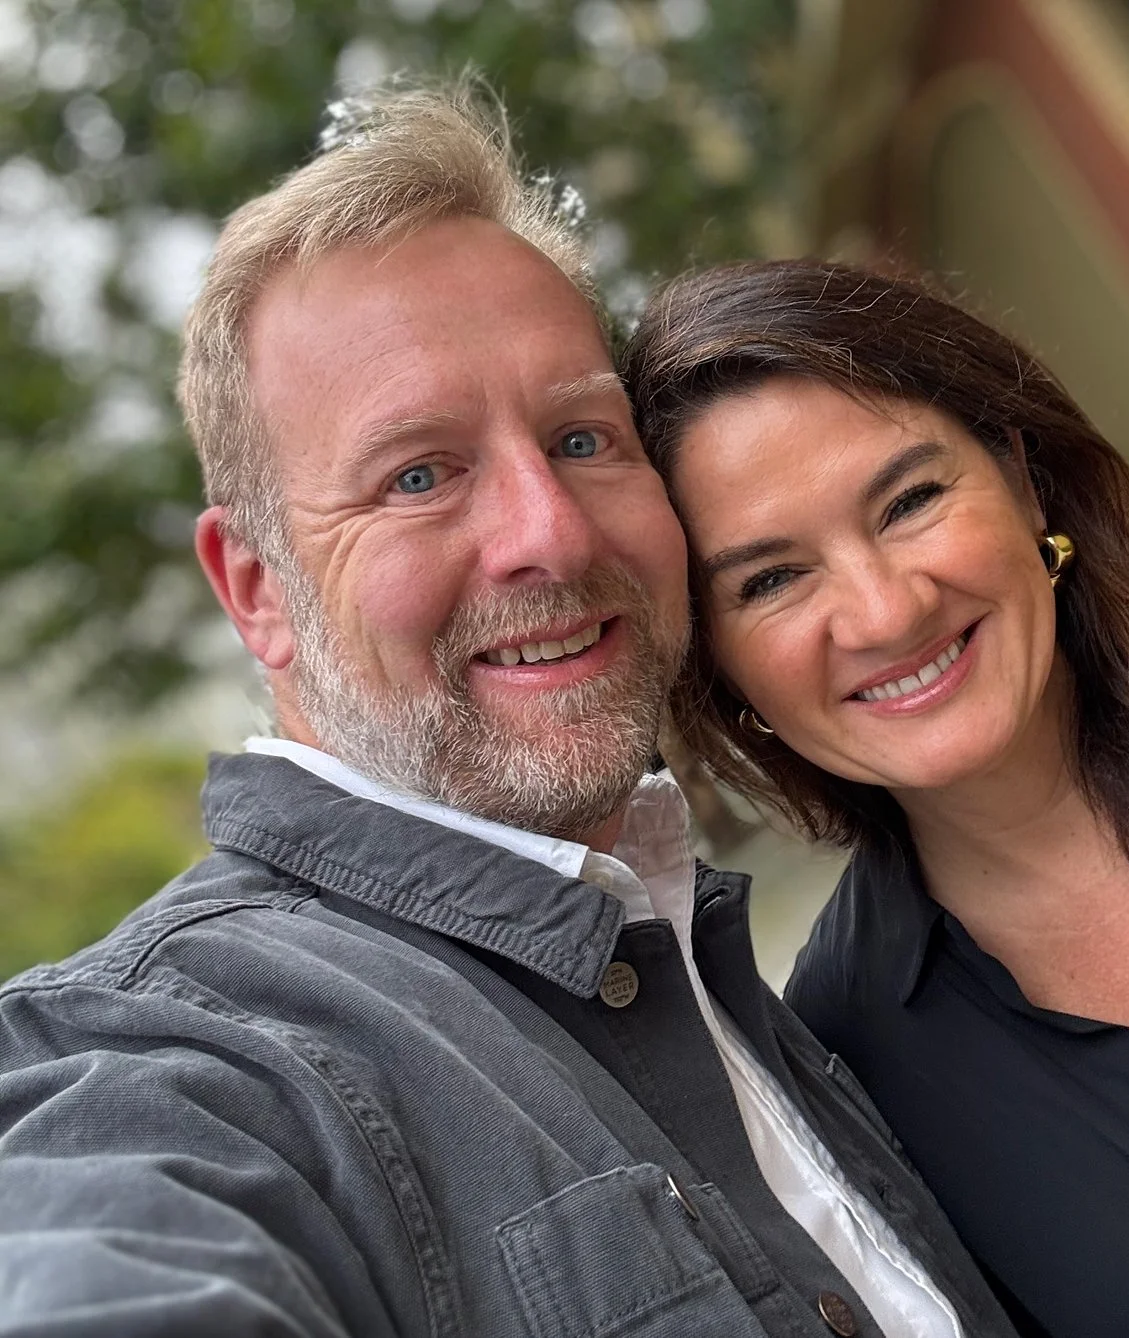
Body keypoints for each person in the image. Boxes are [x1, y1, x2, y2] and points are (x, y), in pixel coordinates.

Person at [0, 90, 1020, 1338]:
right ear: (257, 590)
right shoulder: (177, 1060)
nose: (552, 533)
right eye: (418, 476)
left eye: (583, 438)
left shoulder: (779, 989)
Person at [619, 256, 1129, 1337]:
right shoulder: (851, 1064)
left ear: (1021, 473)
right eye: (772, 579)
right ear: (719, 666)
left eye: (909, 501)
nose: (884, 611)